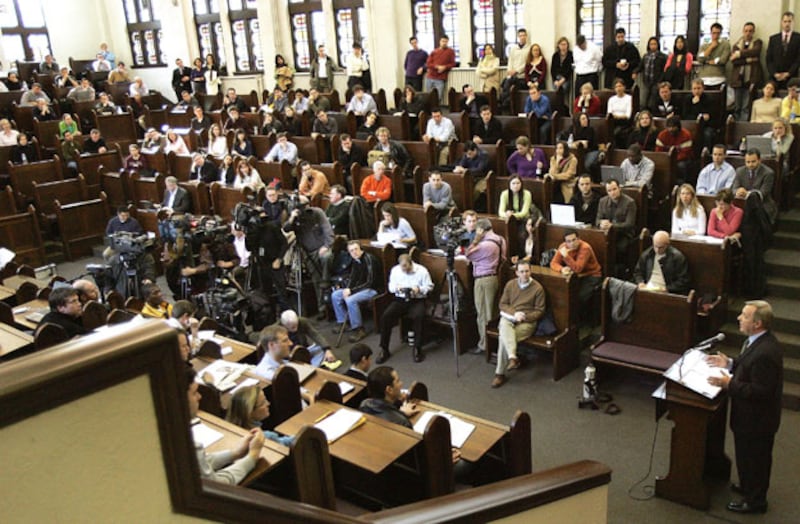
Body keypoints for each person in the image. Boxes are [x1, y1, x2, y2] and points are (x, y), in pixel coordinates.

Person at [706, 300, 783, 515]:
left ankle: (756, 501)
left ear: (757, 323)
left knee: (755, 458)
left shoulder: (766, 352)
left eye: (745, 316)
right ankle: (748, 486)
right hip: (748, 418)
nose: (739, 318)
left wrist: (729, 384)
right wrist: (730, 364)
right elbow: (747, 364)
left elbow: (761, 391)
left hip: (757, 420)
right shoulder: (757, 341)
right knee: (747, 456)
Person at [186, 367, 264, 485]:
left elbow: (201, 463)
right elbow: (217, 484)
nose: (199, 397)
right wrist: (252, 457)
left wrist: (235, 453)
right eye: (194, 393)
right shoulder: (183, 441)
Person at [491, 261, 545, 388]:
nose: (524, 274)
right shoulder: (510, 284)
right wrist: (515, 313)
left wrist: (524, 317)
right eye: (521, 271)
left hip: (526, 322)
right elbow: (503, 304)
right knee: (504, 327)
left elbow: (539, 311)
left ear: (530, 271)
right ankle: (512, 357)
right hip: (510, 317)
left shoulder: (538, 288)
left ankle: (500, 373)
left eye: (527, 271)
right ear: (516, 273)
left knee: (503, 338)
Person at [283, 197, 334, 318]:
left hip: (322, 249)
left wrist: (327, 245)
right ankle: (322, 308)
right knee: (316, 280)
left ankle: (326, 282)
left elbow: (328, 230)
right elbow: (286, 229)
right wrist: (292, 218)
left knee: (327, 259)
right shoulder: (295, 218)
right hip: (308, 253)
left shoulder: (317, 213)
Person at [378, 254, 433, 363]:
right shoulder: (396, 270)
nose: (404, 270)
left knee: (419, 316)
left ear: (411, 263)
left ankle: (417, 348)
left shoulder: (422, 271)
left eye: (406, 267)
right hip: (400, 299)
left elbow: (430, 286)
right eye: (402, 267)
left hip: (417, 300)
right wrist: (398, 288)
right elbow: (391, 287)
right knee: (386, 316)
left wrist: (419, 289)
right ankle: (384, 349)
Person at [466, 218, 506, 355]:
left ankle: (484, 344)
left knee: (483, 314)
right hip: (494, 278)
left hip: (483, 280)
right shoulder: (500, 240)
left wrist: (476, 240)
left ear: (481, 230)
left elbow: (468, 255)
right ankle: (494, 344)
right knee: (493, 312)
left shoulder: (484, 245)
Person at [331, 241, 381, 343]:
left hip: (373, 289)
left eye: (356, 249)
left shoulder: (369, 259)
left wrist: (351, 291)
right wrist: (347, 289)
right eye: (351, 251)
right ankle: (343, 322)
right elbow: (353, 278)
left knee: (350, 300)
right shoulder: (355, 260)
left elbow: (370, 282)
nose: (354, 252)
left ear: (361, 249)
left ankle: (358, 329)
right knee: (335, 295)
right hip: (359, 289)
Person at [550, 229, 603, 315]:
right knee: (565, 294)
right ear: (565, 242)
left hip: (592, 275)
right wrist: (561, 269)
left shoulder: (585, 248)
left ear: (578, 239)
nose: (572, 243)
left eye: (574, 240)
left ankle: (581, 320)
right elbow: (553, 263)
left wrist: (566, 256)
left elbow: (578, 268)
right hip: (577, 276)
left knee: (579, 297)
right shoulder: (563, 247)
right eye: (568, 241)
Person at [226, 385, 293, 446]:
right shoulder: (266, 437)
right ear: (250, 412)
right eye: (263, 403)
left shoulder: (230, 430)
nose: (268, 403)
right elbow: (285, 445)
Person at [596, 178, 637, 272]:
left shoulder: (630, 202)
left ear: (619, 188)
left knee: (619, 248)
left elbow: (629, 224)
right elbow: (597, 220)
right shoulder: (602, 201)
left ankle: (620, 271)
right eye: (609, 190)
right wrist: (601, 223)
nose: (612, 193)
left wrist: (612, 226)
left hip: (624, 234)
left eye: (614, 189)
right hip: (607, 233)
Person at [732, 148, 778, 223]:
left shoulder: (768, 173)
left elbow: (763, 193)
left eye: (753, 161)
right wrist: (738, 191)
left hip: (762, 205)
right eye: (748, 162)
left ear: (759, 160)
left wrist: (747, 194)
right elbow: (734, 189)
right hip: (743, 203)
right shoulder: (739, 171)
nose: (750, 164)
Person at [730, 22, 763, 121]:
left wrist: (739, 54)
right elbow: (734, 61)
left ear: (753, 32)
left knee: (746, 107)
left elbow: (755, 52)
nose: (748, 33)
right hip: (738, 80)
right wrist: (749, 60)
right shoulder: (736, 45)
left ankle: (743, 128)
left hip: (750, 80)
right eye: (746, 31)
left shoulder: (757, 42)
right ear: (743, 31)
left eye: (750, 31)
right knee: (737, 107)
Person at [766, 11, 800, 89]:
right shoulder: (774, 39)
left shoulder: (798, 38)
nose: (787, 24)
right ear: (782, 22)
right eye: (785, 21)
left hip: (792, 77)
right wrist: (774, 73)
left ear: (793, 23)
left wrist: (788, 73)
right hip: (775, 77)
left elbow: (798, 59)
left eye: (789, 21)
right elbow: (769, 59)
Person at [682, 79, 717, 155]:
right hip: (692, 125)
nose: (696, 91)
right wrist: (696, 106)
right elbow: (685, 116)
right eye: (694, 88)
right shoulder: (688, 99)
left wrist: (698, 107)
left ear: (703, 88)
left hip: (706, 126)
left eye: (698, 88)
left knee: (707, 134)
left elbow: (711, 116)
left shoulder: (709, 99)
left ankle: (706, 155)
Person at [656, 115, 694, 184]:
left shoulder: (686, 135)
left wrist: (673, 160)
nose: (671, 129)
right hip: (666, 159)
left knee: (681, 166)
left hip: (682, 159)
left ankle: (681, 183)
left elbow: (685, 153)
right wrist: (667, 160)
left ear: (678, 127)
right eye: (669, 127)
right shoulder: (662, 135)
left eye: (673, 127)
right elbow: (659, 151)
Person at [636, 36, 667, 110]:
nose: (653, 46)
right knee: (643, 102)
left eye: (654, 44)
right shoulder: (646, 56)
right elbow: (640, 66)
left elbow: (664, 71)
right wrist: (635, 72)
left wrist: (660, 81)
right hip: (646, 82)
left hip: (656, 82)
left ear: (658, 45)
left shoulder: (663, 57)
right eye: (651, 44)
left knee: (652, 103)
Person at [426, 35, 456, 104]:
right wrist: (437, 67)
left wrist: (444, 67)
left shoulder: (450, 52)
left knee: (438, 97)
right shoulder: (434, 52)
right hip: (430, 77)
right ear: (440, 42)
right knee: (428, 96)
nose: (444, 43)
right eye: (443, 41)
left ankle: (436, 111)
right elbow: (428, 64)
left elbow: (453, 64)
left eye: (446, 41)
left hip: (440, 78)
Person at [608, 78, 633, 148]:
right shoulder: (611, 99)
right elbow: (609, 113)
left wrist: (618, 116)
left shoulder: (629, 98)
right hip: (613, 121)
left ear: (624, 87)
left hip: (624, 122)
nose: (618, 88)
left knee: (616, 132)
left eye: (620, 86)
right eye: (616, 87)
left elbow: (628, 115)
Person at [551, 36, 574, 101]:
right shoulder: (555, 55)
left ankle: (565, 107)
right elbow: (552, 69)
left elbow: (570, 69)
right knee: (556, 89)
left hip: (565, 78)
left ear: (567, 45)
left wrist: (563, 80)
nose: (563, 46)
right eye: (561, 44)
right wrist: (555, 80)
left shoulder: (570, 54)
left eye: (565, 44)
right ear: (558, 45)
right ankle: (558, 106)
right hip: (556, 77)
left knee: (564, 88)